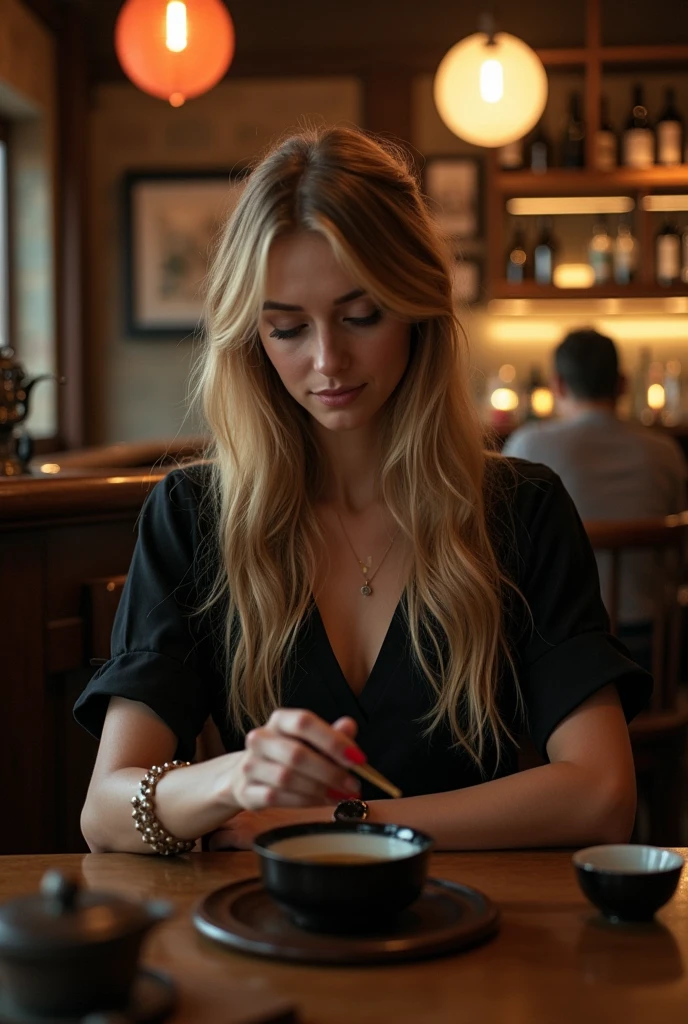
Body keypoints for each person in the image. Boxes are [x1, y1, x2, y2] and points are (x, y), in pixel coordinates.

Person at [75, 127, 651, 856]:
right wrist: (234, 779)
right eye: (286, 329)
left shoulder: (523, 510)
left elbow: (603, 797)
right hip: (273, 937)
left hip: (483, 938)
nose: (327, 360)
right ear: (250, 339)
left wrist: (345, 827)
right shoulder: (194, 517)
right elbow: (104, 810)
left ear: (417, 309)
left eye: (361, 316)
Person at [503, 328, 688, 666]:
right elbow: (680, 565)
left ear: (557, 385)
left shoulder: (528, 447)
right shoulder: (666, 453)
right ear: (622, 384)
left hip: (561, 656)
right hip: (652, 649)